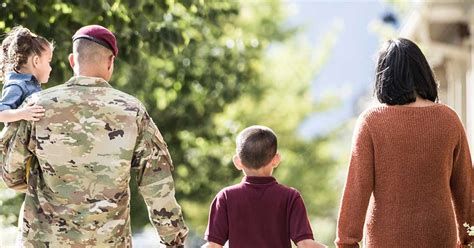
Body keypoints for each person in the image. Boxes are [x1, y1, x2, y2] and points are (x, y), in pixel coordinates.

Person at [1, 24, 188, 247]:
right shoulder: (132, 112)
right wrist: (172, 239)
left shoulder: (36, 106)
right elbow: (157, 182)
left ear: (72, 61)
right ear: (110, 62)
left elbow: (10, 172)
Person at [335, 38, 472, 247]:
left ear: (384, 77)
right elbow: (466, 188)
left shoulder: (371, 122)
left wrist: (347, 243)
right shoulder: (449, 119)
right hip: (440, 240)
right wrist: (469, 239)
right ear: (423, 71)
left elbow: (357, 189)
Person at [203, 125, 327, 248]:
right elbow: (305, 244)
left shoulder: (225, 197)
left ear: (237, 162)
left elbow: (213, 246)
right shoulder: (290, 197)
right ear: (276, 159)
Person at [0, 26, 50, 122]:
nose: (50, 68)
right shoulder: (18, 84)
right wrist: (22, 113)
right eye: (49, 61)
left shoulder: (31, 84)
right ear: (36, 61)